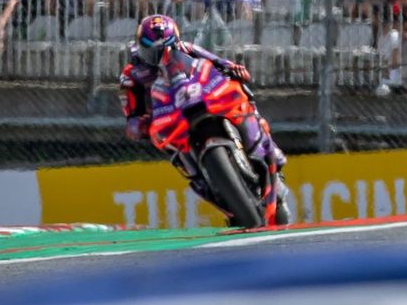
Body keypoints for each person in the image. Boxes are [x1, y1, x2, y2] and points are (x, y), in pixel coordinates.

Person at [117, 14, 287, 220]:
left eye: (167, 48)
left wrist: (233, 69)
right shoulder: (132, 73)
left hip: (200, 97)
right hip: (168, 116)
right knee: (177, 156)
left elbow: (217, 63)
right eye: (152, 52)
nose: (161, 56)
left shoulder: (186, 49)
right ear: (140, 47)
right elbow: (131, 114)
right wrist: (138, 123)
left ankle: (268, 152)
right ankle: (219, 195)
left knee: (244, 99)